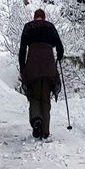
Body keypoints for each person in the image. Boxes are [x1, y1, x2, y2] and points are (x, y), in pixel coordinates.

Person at [18, 8, 64, 140]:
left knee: (34, 96)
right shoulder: (50, 27)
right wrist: (59, 58)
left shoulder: (28, 27)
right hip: (49, 67)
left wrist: (23, 68)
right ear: (43, 17)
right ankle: (45, 132)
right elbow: (60, 47)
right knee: (45, 98)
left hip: (33, 66)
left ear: (34, 17)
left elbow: (22, 50)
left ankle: (36, 119)